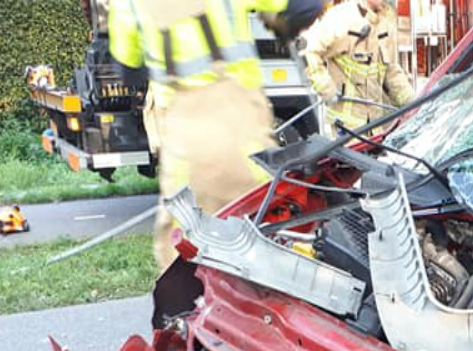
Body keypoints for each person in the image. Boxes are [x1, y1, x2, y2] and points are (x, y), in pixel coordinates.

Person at [107, 0, 325, 270]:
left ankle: (191, 295)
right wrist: (282, 24)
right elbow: (304, 8)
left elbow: (127, 69)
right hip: (242, 121)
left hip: (183, 133)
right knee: (270, 216)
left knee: (181, 232)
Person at [300, 0, 414, 134]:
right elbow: (309, 53)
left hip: (375, 128)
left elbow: (392, 72)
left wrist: (413, 103)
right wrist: (326, 89)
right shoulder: (341, 17)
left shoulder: (385, 22)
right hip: (346, 130)